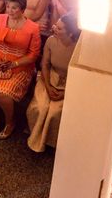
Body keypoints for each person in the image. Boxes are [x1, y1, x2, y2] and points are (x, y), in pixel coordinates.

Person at [0, 0, 41, 139]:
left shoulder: (33, 28)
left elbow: (33, 55)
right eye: (8, 6)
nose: (10, 10)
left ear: (22, 9)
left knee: (3, 95)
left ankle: (10, 122)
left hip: (20, 66)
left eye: (14, 7)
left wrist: (14, 64)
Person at [26, 14, 80, 152]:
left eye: (59, 28)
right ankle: (34, 135)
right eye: (56, 25)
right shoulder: (51, 41)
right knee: (39, 107)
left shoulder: (79, 48)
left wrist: (65, 92)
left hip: (71, 83)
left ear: (71, 33)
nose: (54, 28)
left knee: (54, 113)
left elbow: (81, 75)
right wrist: (48, 87)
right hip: (50, 78)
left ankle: (51, 143)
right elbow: (44, 64)